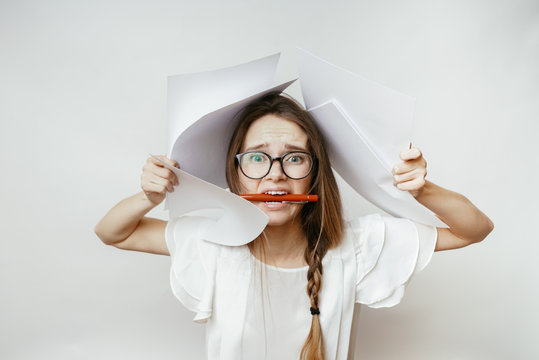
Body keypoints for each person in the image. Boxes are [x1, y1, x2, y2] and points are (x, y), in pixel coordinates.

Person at [95, 92, 493, 360]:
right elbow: (113, 232)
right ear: (235, 173)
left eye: (295, 158)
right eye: (256, 158)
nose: (274, 178)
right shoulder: (210, 240)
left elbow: (473, 230)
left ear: (315, 172)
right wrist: (150, 198)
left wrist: (422, 190)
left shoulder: (357, 245)